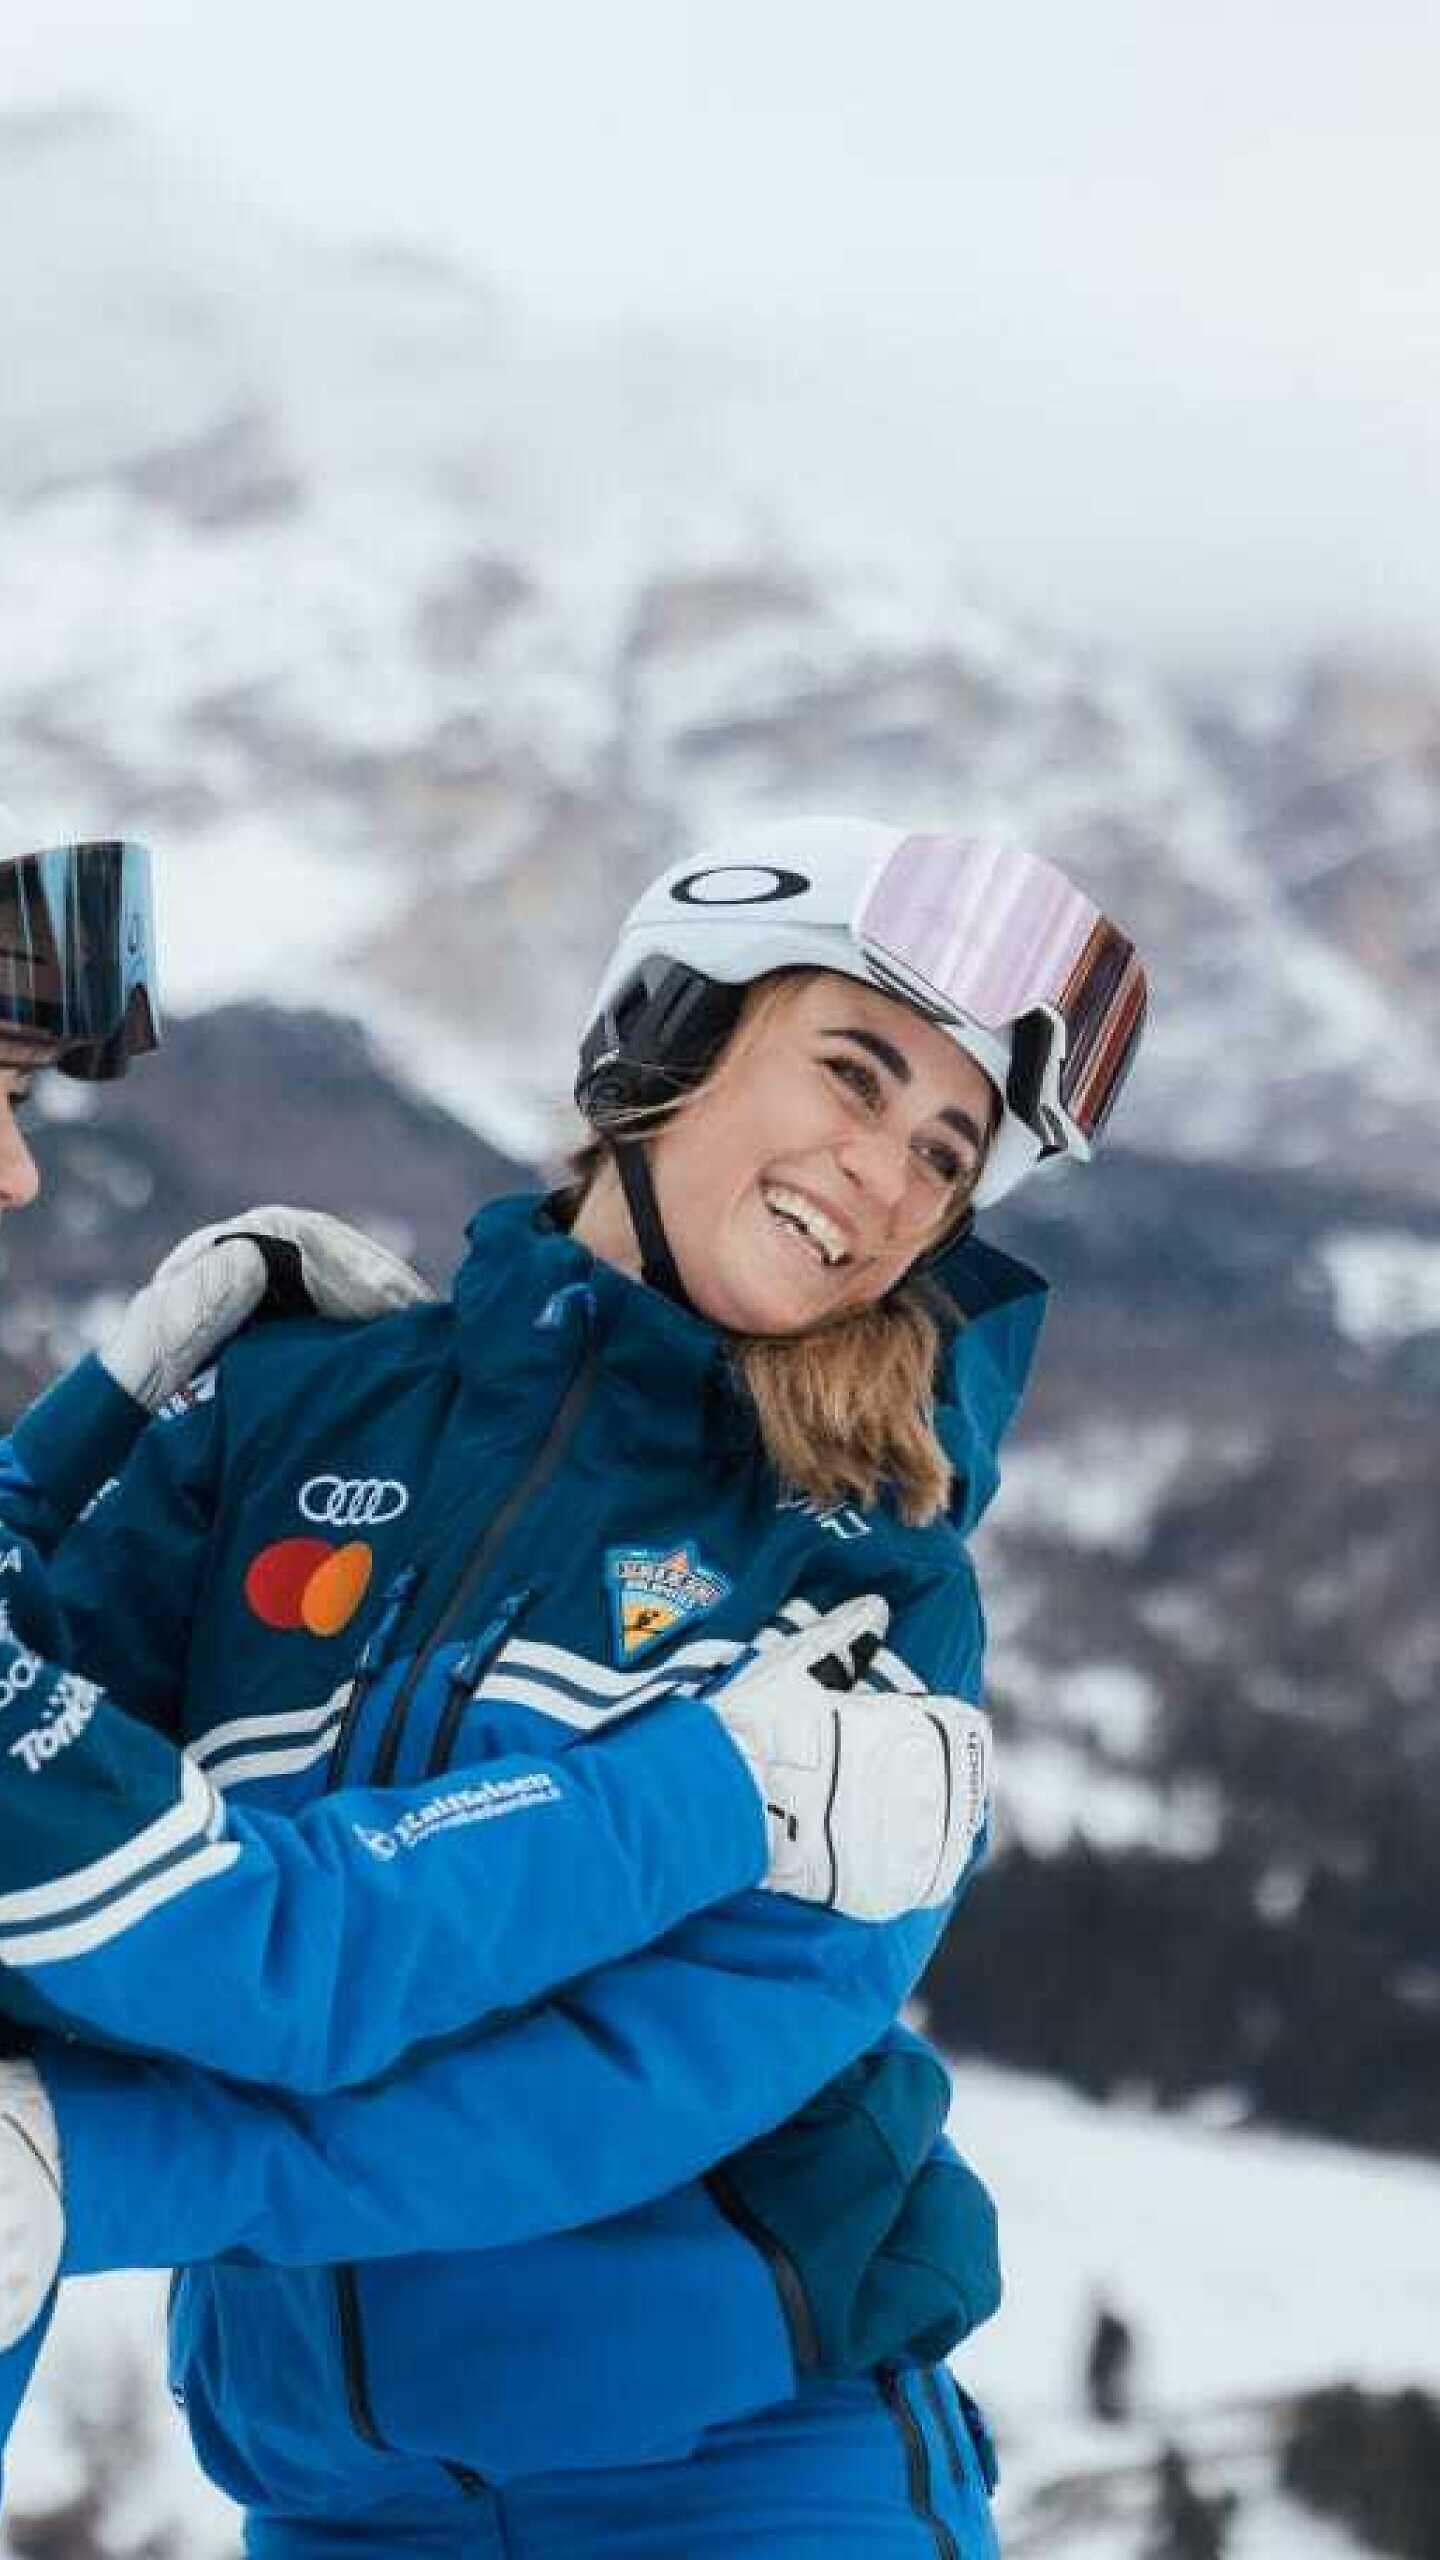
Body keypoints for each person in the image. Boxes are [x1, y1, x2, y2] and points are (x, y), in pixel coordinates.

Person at [0, 816, 1146, 2556]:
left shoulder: (871, 1591)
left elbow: (594, 2101)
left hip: (751, 2483)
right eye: (853, 1072)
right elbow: (40, 1817)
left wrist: (105, 2166)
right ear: (666, 1034)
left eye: (945, 1153)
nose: (883, 1176)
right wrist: (87, 1431)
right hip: (334, 2500)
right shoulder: (289, 1411)